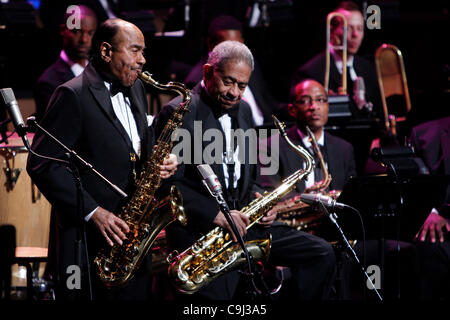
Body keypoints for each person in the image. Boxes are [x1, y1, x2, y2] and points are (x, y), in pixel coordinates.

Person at [156, 40, 336, 300]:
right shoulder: (179, 112)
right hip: (201, 232)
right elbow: (169, 186)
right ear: (208, 73)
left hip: (243, 224)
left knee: (321, 254)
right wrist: (215, 214)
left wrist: (261, 200)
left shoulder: (246, 111)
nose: (234, 93)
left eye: (242, 85)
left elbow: (249, 178)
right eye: (228, 82)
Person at [27, 18, 178, 300]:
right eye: (135, 51)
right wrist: (94, 212)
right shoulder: (72, 94)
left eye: (143, 52)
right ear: (106, 51)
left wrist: (160, 158)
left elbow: (134, 143)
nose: (142, 60)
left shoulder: (134, 87)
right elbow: (42, 163)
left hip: (131, 242)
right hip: (88, 245)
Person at [259, 79, 356, 196]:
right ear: (292, 109)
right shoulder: (269, 147)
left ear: (328, 106)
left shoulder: (344, 149)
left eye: (320, 100)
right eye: (305, 101)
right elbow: (269, 193)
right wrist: (302, 200)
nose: (314, 106)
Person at [291, 1, 383, 122]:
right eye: (349, 28)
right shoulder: (311, 73)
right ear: (332, 30)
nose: (355, 34)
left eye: (360, 29)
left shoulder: (368, 68)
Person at [184, 15, 277, 127]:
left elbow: (269, 102)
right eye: (227, 48)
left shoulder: (247, 64)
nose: (234, 92)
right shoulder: (196, 79)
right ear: (210, 44)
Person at [34, 5, 98, 122]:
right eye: (76, 31)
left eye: (90, 33)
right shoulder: (48, 82)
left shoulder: (101, 72)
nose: (84, 39)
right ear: (63, 30)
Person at [410, 116, 450, 299]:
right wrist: (429, 211)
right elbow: (417, 184)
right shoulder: (425, 135)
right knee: (428, 244)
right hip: (444, 222)